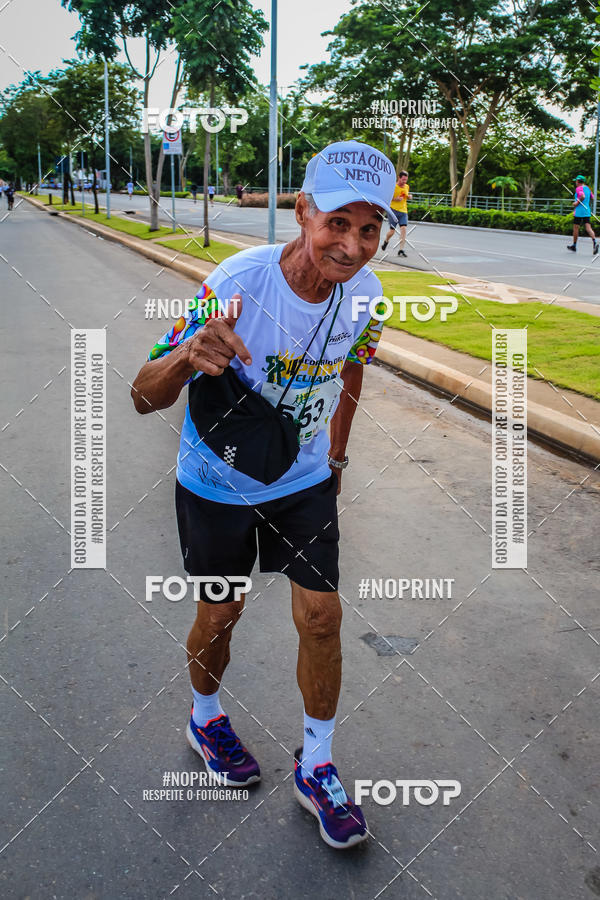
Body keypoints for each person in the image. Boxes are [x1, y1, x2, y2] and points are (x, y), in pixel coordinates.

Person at [131, 140, 397, 849]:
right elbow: (141, 395)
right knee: (221, 615)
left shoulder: (368, 297)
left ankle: (317, 765)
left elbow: (353, 371)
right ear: (303, 209)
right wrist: (189, 355)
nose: (352, 245)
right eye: (338, 222)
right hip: (218, 482)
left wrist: (336, 455)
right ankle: (205, 716)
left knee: (321, 618)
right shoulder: (238, 280)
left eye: (370, 229)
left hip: (304, 481)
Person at [381, 169, 412, 257]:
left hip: (403, 211)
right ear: (399, 178)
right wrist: (395, 199)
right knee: (392, 232)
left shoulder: (406, 186)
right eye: (403, 179)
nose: (404, 181)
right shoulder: (393, 187)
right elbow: (386, 198)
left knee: (404, 230)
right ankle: (386, 241)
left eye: (406, 180)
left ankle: (401, 250)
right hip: (393, 210)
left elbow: (405, 196)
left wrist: (409, 197)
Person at [567, 175, 598, 254]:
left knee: (576, 228)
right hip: (587, 210)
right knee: (588, 227)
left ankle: (574, 245)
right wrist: (586, 204)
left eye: (576, 181)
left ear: (578, 181)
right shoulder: (587, 188)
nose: (575, 182)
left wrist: (576, 203)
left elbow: (582, 196)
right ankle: (595, 242)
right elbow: (592, 197)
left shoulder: (579, 188)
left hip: (579, 211)